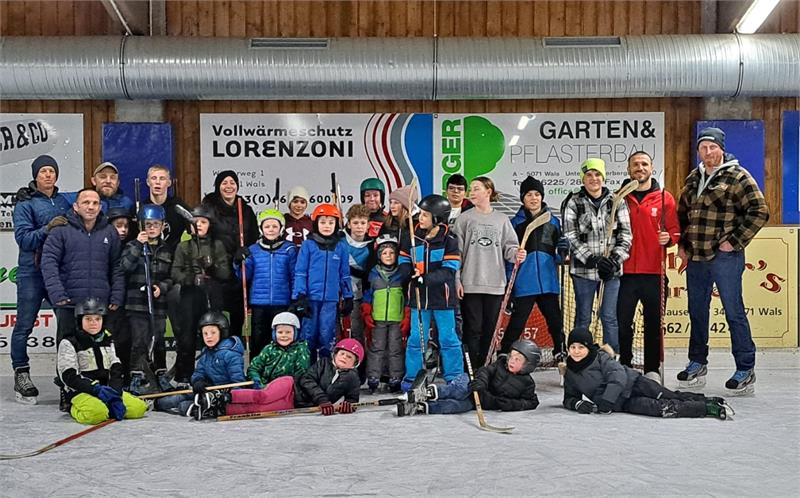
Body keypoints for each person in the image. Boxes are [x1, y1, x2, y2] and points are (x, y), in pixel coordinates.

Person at [676, 127, 769, 393]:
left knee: (733, 312)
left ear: (721, 149)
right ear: (698, 152)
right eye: (703, 148)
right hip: (696, 256)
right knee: (697, 311)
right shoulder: (694, 177)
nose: (708, 152)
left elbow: (760, 211)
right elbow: (684, 214)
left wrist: (735, 241)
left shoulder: (738, 176)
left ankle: (745, 368)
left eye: (712, 147)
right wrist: (682, 244)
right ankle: (697, 362)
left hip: (724, 257)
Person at [562, 327, 731, 420]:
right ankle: (705, 409)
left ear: (589, 347)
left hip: (635, 383)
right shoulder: (570, 372)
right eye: (572, 347)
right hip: (623, 403)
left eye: (581, 347)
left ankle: (705, 400)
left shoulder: (601, 357)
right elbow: (569, 397)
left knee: (668, 395)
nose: (576, 351)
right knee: (661, 408)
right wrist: (577, 404)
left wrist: (607, 399)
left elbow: (618, 376)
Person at [11, 155, 71, 404]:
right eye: (43, 171)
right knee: (24, 324)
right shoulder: (25, 204)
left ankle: (65, 375)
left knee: (66, 324)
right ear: (36, 175)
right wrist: (48, 228)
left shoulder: (63, 201)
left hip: (57, 272)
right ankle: (21, 373)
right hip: (32, 272)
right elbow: (24, 240)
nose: (48, 175)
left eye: (51, 171)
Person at [617, 152, 680, 383]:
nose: (640, 168)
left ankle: (652, 368)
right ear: (628, 169)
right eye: (635, 164)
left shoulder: (665, 197)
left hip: (654, 272)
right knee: (623, 323)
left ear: (651, 169)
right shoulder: (619, 197)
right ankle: (624, 363)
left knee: (653, 324)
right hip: (625, 274)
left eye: (644, 164)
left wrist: (669, 238)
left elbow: (675, 230)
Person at [562, 158, 632, 353]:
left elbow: (626, 234)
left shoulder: (617, 201)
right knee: (583, 316)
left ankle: (613, 359)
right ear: (583, 179)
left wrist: (614, 260)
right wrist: (592, 259)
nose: (594, 179)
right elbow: (570, 235)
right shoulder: (573, 201)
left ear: (603, 177)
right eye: (589, 175)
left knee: (608, 316)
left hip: (611, 272)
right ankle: (579, 356)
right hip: (584, 271)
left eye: (597, 174)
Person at [454, 176, 524, 368]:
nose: (472, 192)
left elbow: (510, 248)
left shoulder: (501, 220)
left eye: (476, 188)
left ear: (488, 191)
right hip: (470, 284)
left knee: (490, 329)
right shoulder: (464, 219)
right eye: (471, 189)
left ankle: (485, 367)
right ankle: (472, 369)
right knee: (473, 328)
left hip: (495, 285)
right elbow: (456, 254)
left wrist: (517, 254)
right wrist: (457, 280)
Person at [41, 188, 125, 345]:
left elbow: (117, 266)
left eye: (95, 203)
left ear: (100, 207)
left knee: (99, 353)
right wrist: (57, 294)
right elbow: (48, 263)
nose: (91, 206)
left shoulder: (110, 232)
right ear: (75, 206)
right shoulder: (60, 231)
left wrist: (116, 295)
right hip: (68, 303)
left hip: (100, 304)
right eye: (86, 202)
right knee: (68, 350)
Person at [398, 194, 463, 390]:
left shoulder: (449, 240)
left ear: (437, 218)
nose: (420, 218)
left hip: (442, 299)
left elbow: (448, 270)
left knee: (448, 338)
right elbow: (403, 261)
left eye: (425, 215)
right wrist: (407, 274)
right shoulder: (411, 236)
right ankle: (412, 378)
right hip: (419, 300)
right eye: (420, 214)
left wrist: (424, 279)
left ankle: (454, 377)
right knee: (417, 339)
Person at [503, 176, 567, 360]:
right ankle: (504, 353)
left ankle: (560, 351)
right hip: (524, 282)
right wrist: (510, 284)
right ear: (523, 198)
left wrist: (562, 251)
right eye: (529, 194)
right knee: (517, 323)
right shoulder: (515, 223)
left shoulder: (553, 221)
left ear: (542, 197)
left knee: (555, 321)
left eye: (537, 194)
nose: (533, 198)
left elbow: (555, 254)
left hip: (548, 282)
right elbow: (509, 257)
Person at [56, 297, 148, 425]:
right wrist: (96, 389)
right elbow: (69, 376)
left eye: (97, 319)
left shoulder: (108, 340)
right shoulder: (69, 343)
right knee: (96, 415)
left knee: (139, 409)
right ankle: (71, 407)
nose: (93, 323)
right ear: (79, 320)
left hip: (107, 390)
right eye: (88, 319)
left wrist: (115, 394)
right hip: (82, 391)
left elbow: (116, 368)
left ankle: (106, 407)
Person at [398, 339, 541, 416]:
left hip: (478, 401)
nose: (511, 361)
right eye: (512, 357)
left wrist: (510, 405)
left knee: (455, 406)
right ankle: (427, 393)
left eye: (518, 360)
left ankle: (421, 407)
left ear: (528, 365)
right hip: (472, 382)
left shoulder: (527, 384)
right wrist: (481, 382)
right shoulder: (500, 364)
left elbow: (531, 402)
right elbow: (485, 371)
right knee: (460, 390)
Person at [170, 206, 231, 383]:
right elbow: (175, 273)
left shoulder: (216, 245)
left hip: (212, 293)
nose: (198, 226)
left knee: (213, 333)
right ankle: (184, 375)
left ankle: (215, 374)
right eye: (195, 223)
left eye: (203, 222)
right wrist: (190, 278)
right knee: (187, 336)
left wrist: (212, 268)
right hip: (190, 295)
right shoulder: (183, 246)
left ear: (209, 225)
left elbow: (225, 274)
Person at [119, 204, 174, 394]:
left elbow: (171, 277)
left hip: (158, 305)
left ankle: (160, 373)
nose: (152, 228)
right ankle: (137, 375)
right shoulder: (132, 246)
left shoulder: (167, 250)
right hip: (136, 304)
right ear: (141, 225)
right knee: (139, 341)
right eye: (148, 224)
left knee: (158, 339)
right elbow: (124, 267)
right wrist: (136, 245)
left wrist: (161, 288)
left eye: (156, 224)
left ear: (162, 226)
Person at [155, 312, 246, 420]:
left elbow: (238, 383)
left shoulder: (231, 354)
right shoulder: (206, 353)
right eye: (205, 333)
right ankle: (156, 403)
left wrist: (227, 396)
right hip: (206, 390)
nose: (209, 337)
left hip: (221, 395)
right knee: (173, 400)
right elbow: (198, 373)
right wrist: (198, 381)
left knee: (183, 406)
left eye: (213, 332)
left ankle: (199, 408)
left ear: (222, 332)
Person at [292, 204, 353, 363]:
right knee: (308, 335)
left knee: (327, 335)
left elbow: (344, 274)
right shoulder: (308, 245)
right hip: (310, 299)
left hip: (330, 300)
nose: (327, 226)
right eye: (323, 222)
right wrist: (300, 296)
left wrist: (348, 296)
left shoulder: (340, 246)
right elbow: (300, 271)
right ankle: (306, 370)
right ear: (316, 224)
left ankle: (326, 369)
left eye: (331, 222)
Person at [202, 170, 259, 337]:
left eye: (232, 183)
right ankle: (218, 349)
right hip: (217, 270)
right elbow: (203, 238)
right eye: (224, 183)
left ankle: (234, 347)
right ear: (218, 186)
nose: (228, 186)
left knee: (238, 314)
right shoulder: (209, 208)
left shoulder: (245, 209)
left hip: (239, 269)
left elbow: (254, 237)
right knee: (216, 314)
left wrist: (245, 252)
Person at [234, 208, 297, 356]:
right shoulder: (253, 250)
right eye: (267, 226)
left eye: (275, 226)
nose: (271, 230)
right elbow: (244, 276)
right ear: (261, 229)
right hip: (259, 303)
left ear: (281, 229)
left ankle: (278, 371)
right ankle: (256, 370)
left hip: (281, 302)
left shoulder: (289, 249)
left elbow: (295, 276)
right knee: (258, 338)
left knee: (279, 338)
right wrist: (238, 262)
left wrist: (296, 298)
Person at [224, 312, 310, 416]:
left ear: (295, 333)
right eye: (280, 332)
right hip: (264, 386)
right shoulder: (269, 349)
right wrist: (256, 380)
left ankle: (228, 401)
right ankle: (224, 404)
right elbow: (254, 367)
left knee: (263, 406)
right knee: (260, 398)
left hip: (286, 391)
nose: (284, 336)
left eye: (288, 332)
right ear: (274, 333)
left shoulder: (301, 351)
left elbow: (301, 373)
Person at [362, 234, 409, 394]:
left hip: (397, 318)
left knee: (395, 349)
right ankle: (374, 377)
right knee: (376, 348)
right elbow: (368, 294)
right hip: (378, 319)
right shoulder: (373, 274)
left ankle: (396, 377)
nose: (388, 256)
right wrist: (367, 311)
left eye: (391, 252)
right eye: (384, 253)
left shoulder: (402, 274)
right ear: (378, 255)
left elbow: (407, 296)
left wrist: (407, 315)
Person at [16, 161, 134, 215]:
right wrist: (31, 191)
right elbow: (50, 196)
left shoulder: (127, 203)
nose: (108, 181)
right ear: (93, 180)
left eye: (112, 178)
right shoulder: (79, 198)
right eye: (102, 177)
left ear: (118, 182)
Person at [105, 207, 137, 385]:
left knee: (127, 339)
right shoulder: (102, 244)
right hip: (109, 301)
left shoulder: (132, 245)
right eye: (119, 226)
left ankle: (126, 376)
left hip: (130, 300)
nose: (123, 230)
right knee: (111, 340)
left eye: (126, 226)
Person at [293, 338, 363, 415]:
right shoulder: (323, 363)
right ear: (335, 354)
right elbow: (306, 379)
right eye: (342, 354)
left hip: (304, 406)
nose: (344, 357)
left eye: (349, 357)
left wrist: (348, 406)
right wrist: (322, 399)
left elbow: (352, 398)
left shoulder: (353, 378)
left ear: (355, 363)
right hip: (293, 393)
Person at [342, 204, 375, 363]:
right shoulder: (341, 242)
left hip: (366, 295)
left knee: (367, 331)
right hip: (347, 295)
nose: (359, 226)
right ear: (348, 224)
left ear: (368, 225)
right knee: (353, 331)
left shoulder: (372, 246)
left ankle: (366, 366)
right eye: (355, 223)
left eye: (363, 223)